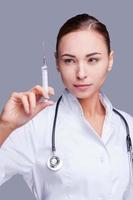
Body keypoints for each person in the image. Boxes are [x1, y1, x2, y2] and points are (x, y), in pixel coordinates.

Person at [0, 13, 133, 200]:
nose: (81, 73)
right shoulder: (34, 125)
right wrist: (5, 125)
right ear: (57, 63)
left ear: (110, 60)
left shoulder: (128, 125)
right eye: (69, 60)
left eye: (92, 59)